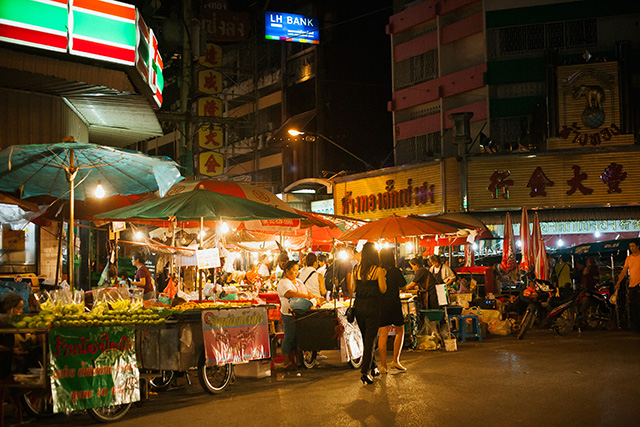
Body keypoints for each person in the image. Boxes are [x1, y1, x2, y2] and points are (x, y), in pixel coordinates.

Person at [352, 242, 386, 385]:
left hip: (359, 306)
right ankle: (364, 372)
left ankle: (374, 367)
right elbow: (383, 289)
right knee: (370, 339)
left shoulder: (356, 269)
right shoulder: (378, 270)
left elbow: (353, 288)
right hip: (373, 307)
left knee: (366, 338)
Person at [277, 260, 316, 371]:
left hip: (301, 313)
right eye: (293, 270)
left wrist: (313, 298)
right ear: (286, 270)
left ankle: (299, 360)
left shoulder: (298, 281)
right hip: (289, 313)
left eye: (297, 270)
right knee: (289, 337)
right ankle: (286, 362)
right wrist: (306, 296)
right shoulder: (283, 282)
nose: (295, 273)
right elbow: (289, 294)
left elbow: (306, 293)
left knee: (299, 337)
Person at [378, 248, 407, 373]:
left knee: (382, 334)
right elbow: (404, 287)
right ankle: (395, 360)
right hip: (394, 304)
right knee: (400, 331)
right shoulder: (395, 271)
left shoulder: (378, 271)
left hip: (381, 305)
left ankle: (383, 366)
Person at [616, 239, 640, 332]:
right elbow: (624, 271)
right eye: (630, 246)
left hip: (639, 284)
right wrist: (618, 282)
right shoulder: (629, 258)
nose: (631, 248)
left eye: (633, 246)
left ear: (638, 246)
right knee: (634, 306)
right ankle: (636, 326)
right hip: (632, 285)